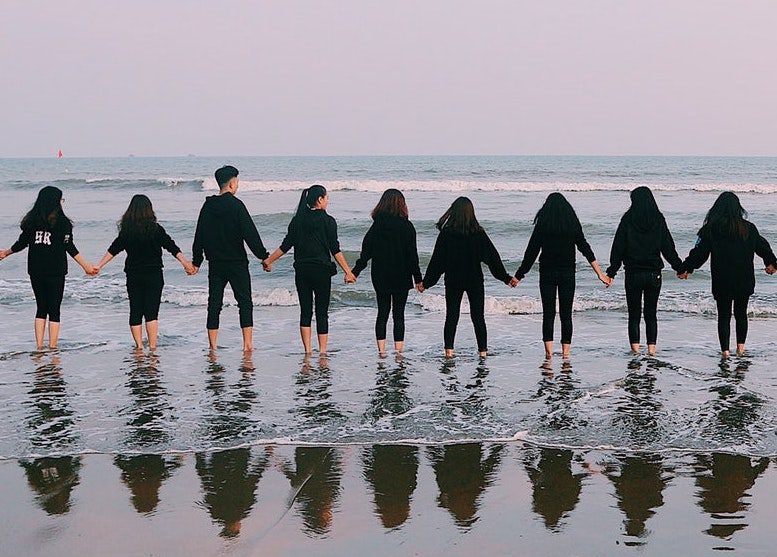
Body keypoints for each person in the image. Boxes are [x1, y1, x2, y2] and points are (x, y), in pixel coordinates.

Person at [93, 194, 196, 350]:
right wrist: (186, 263)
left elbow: (113, 249)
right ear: (149, 210)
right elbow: (171, 247)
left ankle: (139, 347)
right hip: (154, 275)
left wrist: (99, 265)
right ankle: (153, 348)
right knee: (151, 313)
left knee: (135, 310)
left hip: (134, 275)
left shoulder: (127, 231)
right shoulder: (156, 229)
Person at [514, 193, 610, 360]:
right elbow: (585, 248)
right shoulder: (571, 223)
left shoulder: (543, 224)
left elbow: (531, 252)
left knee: (548, 313)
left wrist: (519, 276)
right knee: (566, 314)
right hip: (567, 274)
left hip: (547, 273)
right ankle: (566, 354)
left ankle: (549, 355)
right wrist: (600, 274)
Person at [262, 185, 356, 355]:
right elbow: (335, 250)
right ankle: (322, 351)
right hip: (322, 271)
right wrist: (348, 272)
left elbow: (285, 246)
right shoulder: (329, 221)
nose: (328, 201)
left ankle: (307, 352)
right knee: (322, 312)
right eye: (326, 198)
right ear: (320, 199)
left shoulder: (297, 220)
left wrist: (268, 261)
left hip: (302, 271)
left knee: (305, 311)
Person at [419, 196, 517, 358]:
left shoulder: (446, 234)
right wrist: (506, 278)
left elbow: (437, 262)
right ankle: (483, 352)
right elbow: (493, 258)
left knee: (452, 316)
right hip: (474, 280)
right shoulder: (478, 233)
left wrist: (426, 283)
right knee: (478, 317)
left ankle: (449, 352)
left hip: (453, 280)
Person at [682, 191, 776, 357]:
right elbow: (763, 247)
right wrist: (772, 263)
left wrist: (686, 268)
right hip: (744, 279)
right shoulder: (748, 228)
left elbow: (699, 253)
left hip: (722, 280)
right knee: (741, 314)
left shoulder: (711, 229)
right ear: (738, 208)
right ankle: (741, 349)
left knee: (724, 316)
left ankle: (725, 352)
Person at [0, 186, 95, 349]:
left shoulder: (31, 221)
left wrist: (6, 253)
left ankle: (39, 346)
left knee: (41, 307)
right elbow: (69, 246)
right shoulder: (63, 223)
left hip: (36, 269)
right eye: (61, 200)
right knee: (54, 309)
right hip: (56, 270)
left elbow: (21, 243)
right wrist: (86, 266)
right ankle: (52, 347)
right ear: (55, 202)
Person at [191, 166, 269, 352]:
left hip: (215, 264)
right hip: (237, 263)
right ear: (232, 184)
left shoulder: (208, 206)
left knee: (214, 304)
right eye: (237, 182)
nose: (237, 185)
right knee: (245, 303)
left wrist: (196, 261)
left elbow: (199, 234)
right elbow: (250, 234)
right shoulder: (237, 206)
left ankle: (212, 346)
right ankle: (247, 345)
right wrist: (264, 256)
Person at [606, 186, 684, 356]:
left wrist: (611, 272)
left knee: (633, 314)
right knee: (651, 314)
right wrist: (679, 268)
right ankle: (651, 351)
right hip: (653, 274)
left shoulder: (627, 219)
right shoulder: (658, 219)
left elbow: (618, 247)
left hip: (633, 274)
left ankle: (635, 352)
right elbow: (668, 247)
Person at [351, 189, 422, 356]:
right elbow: (412, 256)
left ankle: (382, 352)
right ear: (401, 204)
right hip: (401, 276)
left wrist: (355, 272)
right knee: (399, 315)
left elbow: (365, 253)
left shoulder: (376, 226)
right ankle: (398, 352)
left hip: (380, 275)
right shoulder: (407, 226)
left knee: (382, 313)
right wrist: (418, 279)